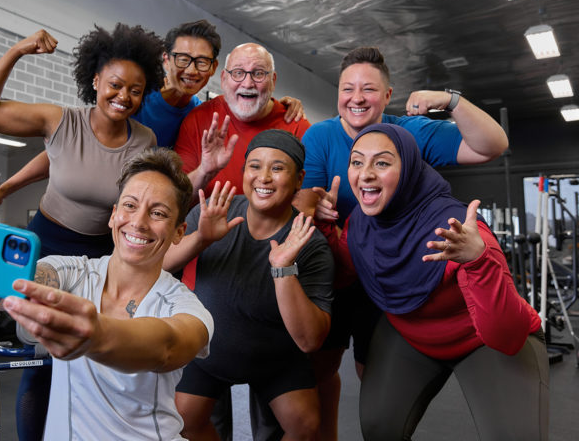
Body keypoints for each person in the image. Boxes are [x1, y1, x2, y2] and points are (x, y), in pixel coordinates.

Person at [0, 148, 215, 440]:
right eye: (130, 206)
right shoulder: (71, 272)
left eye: (158, 213)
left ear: (179, 232)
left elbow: (167, 347)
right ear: (113, 215)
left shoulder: (184, 305)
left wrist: (97, 335)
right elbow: (7, 288)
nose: (139, 222)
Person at [0, 24, 162, 440]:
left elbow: (85, 171)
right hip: (48, 246)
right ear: (95, 80)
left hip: (102, 258)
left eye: (135, 90)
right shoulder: (61, 121)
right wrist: (17, 51)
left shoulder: (145, 140)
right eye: (115, 85)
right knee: (43, 361)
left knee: (93, 362)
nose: (124, 96)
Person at [296, 46, 509, 440]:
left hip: (389, 272)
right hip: (337, 267)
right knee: (321, 369)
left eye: (368, 89)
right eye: (347, 88)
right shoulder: (321, 136)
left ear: (387, 95)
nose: (357, 98)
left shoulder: (410, 132)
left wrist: (450, 101)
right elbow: (303, 198)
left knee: (377, 376)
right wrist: (316, 203)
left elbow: (491, 145)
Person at [317, 124, 547, 441]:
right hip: (411, 333)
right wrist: (324, 224)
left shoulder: (457, 229)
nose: (365, 174)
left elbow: (506, 336)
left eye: (381, 163)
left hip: (483, 339)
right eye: (357, 161)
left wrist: (479, 260)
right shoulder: (360, 222)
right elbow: (344, 273)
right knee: (379, 429)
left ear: (409, 169)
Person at [0, 20, 305, 212]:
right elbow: (66, 151)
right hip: (83, 208)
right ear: (165, 59)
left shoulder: (197, 115)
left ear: (213, 70)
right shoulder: (132, 101)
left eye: (202, 62)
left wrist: (275, 102)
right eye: (182, 58)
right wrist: (5, 190)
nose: (191, 70)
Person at [165, 130, 335, 441]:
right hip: (208, 350)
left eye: (278, 168)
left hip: (276, 358)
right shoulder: (215, 210)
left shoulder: (310, 243)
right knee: (183, 420)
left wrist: (283, 269)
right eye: (255, 166)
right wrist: (201, 238)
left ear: (299, 180)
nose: (264, 177)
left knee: (306, 427)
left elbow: (310, 341)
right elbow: (160, 263)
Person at [174, 42, 311, 202]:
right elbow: (175, 201)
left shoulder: (299, 128)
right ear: (224, 79)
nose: (247, 83)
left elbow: (306, 202)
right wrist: (204, 171)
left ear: (273, 80)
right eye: (238, 73)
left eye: (258, 73)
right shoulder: (198, 119)